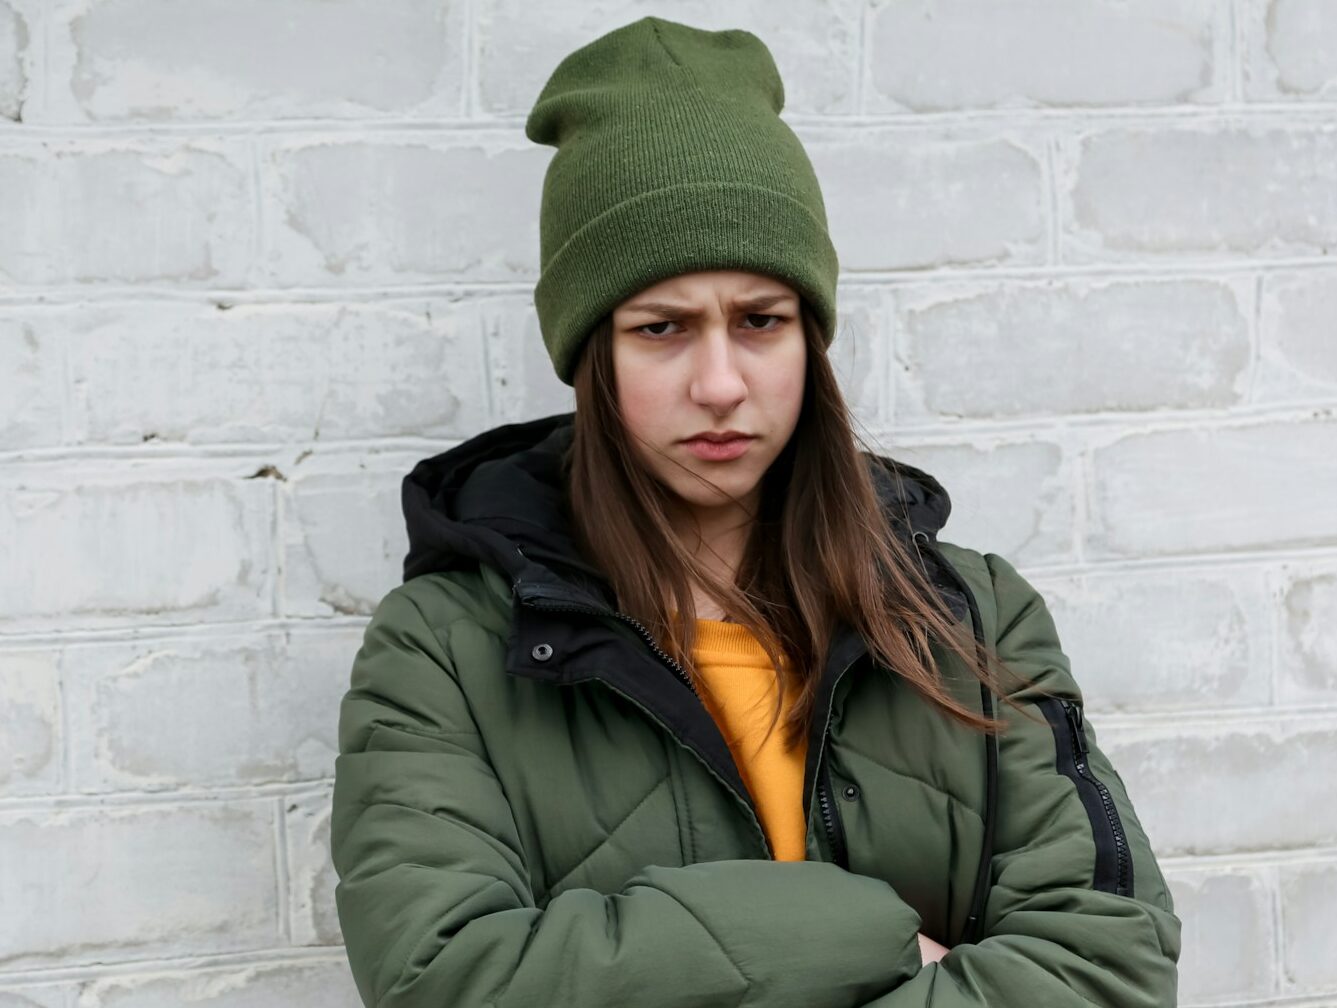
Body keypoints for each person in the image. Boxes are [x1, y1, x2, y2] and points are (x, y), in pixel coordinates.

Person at [329, 15, 1181, 1008]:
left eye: (760, 321)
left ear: (808, 340)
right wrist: (871, 936)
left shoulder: (970, 617)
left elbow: (1109, 966)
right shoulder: (444, 651)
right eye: (662, 328)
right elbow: (444, 982)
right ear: (592, 355)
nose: (721, 384)